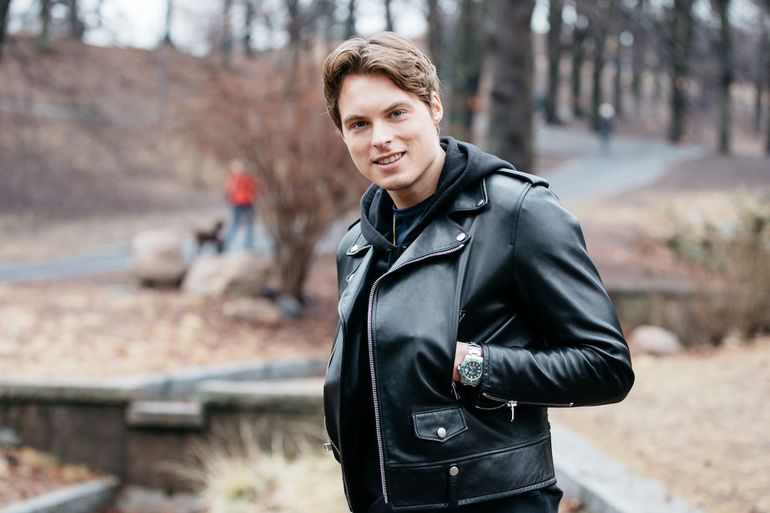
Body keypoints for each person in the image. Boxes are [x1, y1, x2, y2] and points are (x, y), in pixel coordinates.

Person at [321, 32, 634, 513]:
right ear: (343, 135)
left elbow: (605, 366)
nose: (380, 137)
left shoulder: (518, 213)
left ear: (434, 107)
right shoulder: (356, 246)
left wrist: (468, 362)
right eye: (359, 123)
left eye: (396, 113)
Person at [224, 159, 259, 251]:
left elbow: (254, 188)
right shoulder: (235, 178)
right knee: (236, 224)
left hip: (247, 202)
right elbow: (230, 190)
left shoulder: (246, 178)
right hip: (239, 203)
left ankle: (248, 246)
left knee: (249, 225)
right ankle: (225, 244)